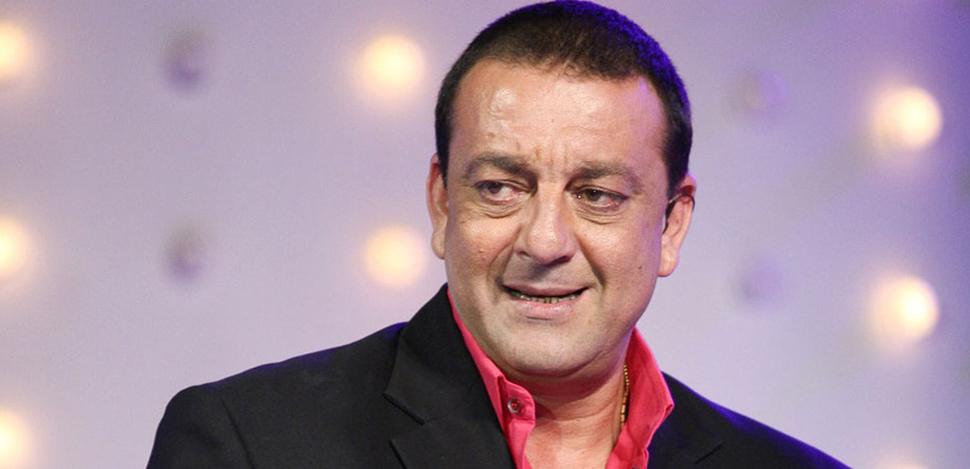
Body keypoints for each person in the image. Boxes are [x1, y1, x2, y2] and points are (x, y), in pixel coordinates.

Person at [147, 1, 849, 468]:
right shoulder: (249, 443)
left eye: (597, 195)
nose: (544, 242)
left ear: (671, 224)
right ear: (441, 203)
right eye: (500, 187)